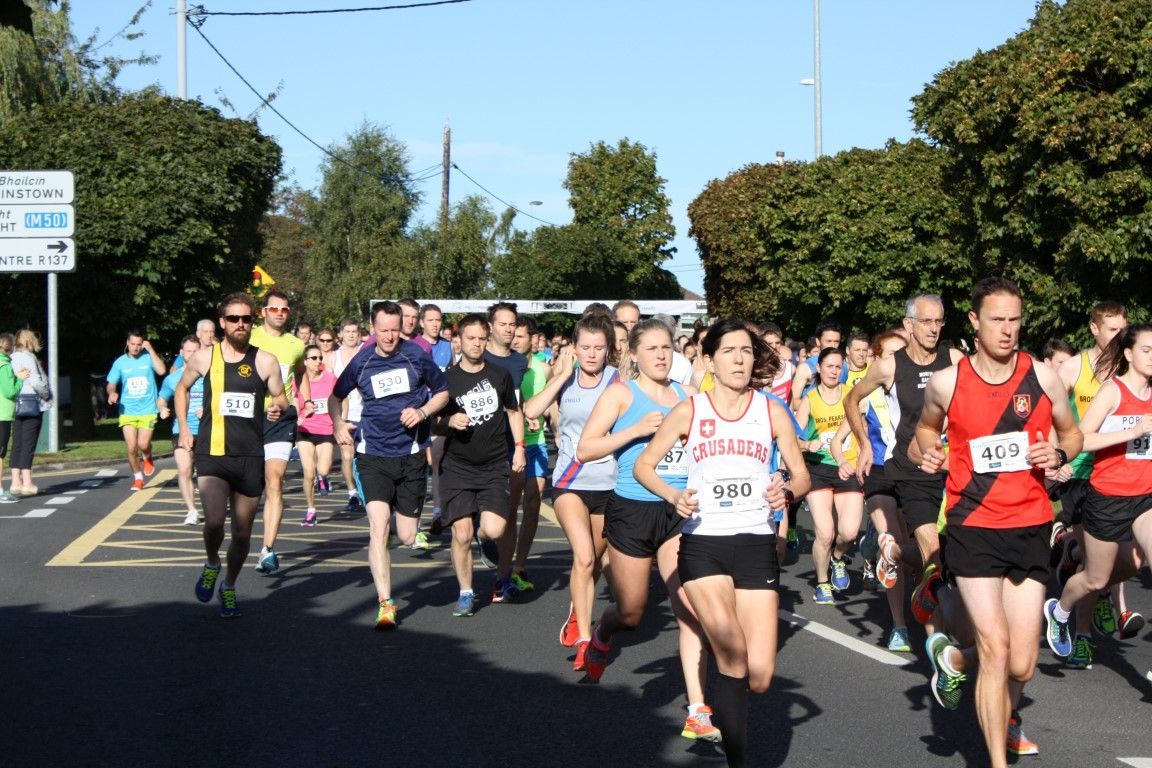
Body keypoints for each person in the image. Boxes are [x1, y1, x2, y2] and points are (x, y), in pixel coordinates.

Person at [916, 277, 1081, 768]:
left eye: (1015, 319)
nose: (1008, 330)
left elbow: (1073, 435)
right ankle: (995, 762)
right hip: (973, 524)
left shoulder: (1043, 377)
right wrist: (930, 452)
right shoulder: (950, 382)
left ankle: (952, 657)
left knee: (1022, 662)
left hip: (1030, 525)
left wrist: (1058, 450)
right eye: (997, 320)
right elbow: (923, 432)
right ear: (974, 322)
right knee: (996, 645)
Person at [635, 318, 810, 768]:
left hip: (754, 541)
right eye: (729, 351)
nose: (739, 359)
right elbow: (645, 466)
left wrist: (786, 492)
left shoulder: (770, 410)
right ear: (709, 360)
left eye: (746, 351)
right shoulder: (691, 410)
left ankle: (722, 688)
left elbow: (802, 474)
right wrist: (674, 495)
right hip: (704, 542)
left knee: (760, 676)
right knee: (731, 649)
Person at [577, 318, 719, 742]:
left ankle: (697, 709)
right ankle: (602, 634)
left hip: (679, 511)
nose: (661, 355)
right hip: (632, 511)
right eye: (652, 348)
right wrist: (636, 430)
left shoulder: (687, 396)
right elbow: (586, 449)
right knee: (632, 612)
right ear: (633, 355)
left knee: (689, 607)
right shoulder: (621, 394)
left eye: (666, 348)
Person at [843, 294, 963, 629]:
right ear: (909, 325)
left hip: (953, 468)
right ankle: (938, 638)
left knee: (953, 551)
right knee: (932, 552)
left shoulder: (954, 359)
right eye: (927, 321)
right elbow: (851, 400)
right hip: (911, 471)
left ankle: (894, 554)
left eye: (939, 321)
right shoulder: (890, 366)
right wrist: (864, 443)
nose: (934, 328)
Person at [329, 301, 449, 629]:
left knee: (407, 535)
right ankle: (386, 603)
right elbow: (335, 397)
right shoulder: (362, 361)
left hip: (410, 455)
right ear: (373, 328)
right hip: (373, 455)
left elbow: (442, 392)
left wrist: (423, 412)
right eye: (383, 330)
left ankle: (401, 528)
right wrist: (338, 424)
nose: (390, 336)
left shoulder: (415, 356)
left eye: (395, 329)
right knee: (378, 527)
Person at [1045, 324, 1152, 665]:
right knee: (1096, 578)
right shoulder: (1113, 391)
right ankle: (1060, 610)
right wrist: (1131, 432)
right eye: (1147, 350)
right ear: (1129, 354)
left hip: (1146, 497)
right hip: (1107, 498)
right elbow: (1081, 440)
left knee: (1141, 561)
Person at [178, 293, 290, 618]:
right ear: (222, 323)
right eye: (234, 319)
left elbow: (282, 399)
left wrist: (277, 408)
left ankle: (228, 585)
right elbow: (181, 389)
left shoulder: (265, 360)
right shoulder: (204, 358)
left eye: (246, 319)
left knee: (242, 533)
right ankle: (212, 562)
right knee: (214, 521)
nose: (241, 324)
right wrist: (185, 427)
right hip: (212, 454)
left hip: (250, 456)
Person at [523, 314, 619, 665]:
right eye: (585, 348)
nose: (592, 354)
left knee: (597, 561)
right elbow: (531, 410)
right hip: (569, 481)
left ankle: (579, 609)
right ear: (574, 348)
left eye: (599, 348)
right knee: (584, 557)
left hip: (609, 483)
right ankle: (583, 640)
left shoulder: (619, 381)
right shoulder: (564, 378)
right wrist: (562, 375)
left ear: (609, 349)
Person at [435, 314, 525, 616]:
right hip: (457, 466)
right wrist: (448, 421)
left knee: (495, 529)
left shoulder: (500, 375)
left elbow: (514, 413)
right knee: (460, 533)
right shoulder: (446, 379)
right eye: (470, 338)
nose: (475, 344)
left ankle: (482, 536)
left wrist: (520, 449)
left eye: (480, 339)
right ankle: (466, 591)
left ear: (487, 340)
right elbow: (431, 422)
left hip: (493, 465)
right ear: (459, 340)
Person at [794, 347, 864, 604]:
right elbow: (795, 437)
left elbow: (863, 428)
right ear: (819, 369)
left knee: (849, 532)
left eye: (838, 367)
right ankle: (822, 583)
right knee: (824, 533)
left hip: (848, 467)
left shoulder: (851, 395)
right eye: (829, 366)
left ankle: (837, 558)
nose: (833, 371)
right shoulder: (810, 399)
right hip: (819, 469)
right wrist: (806, 445)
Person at [251, 290, 312, 574]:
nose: (279, 313)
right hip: (248, 419)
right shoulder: (249, 337)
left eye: (284, 310)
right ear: (263, 311)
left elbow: (300, 373)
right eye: (274, 308)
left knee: (275, 480)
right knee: (249, 485)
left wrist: (305, 400)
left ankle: (267, 549)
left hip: (282, 418)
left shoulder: (295, 345)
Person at [483, 301, 529, 601]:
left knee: (510, 512)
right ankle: (482, 534)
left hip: (509, 446)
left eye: (512, 324)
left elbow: (518, 402)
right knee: (488, 524)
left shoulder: (520, 363)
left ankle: (503, 579)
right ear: (490, 327)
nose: (509, 329)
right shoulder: (477, 357)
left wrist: (528, 417)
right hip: (478, 448)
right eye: (503, 324)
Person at [508, 315, 549, 591]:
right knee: (508, 507)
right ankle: (500, 554)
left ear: (532, 339)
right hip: (509, 446)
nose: (515, 340)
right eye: (512, 335)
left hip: (537, 443)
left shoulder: (544, 369)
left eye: (521, 336)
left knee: (533, 504)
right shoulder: (501, 367)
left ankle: (519, 566)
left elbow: (552, 403)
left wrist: (542, 413)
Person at [106, 330, 166, 492]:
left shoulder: (148, 359)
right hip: (128, 410)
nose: (135, 348)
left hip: (148, 409)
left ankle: (147, 456)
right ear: (127, 343)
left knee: (143, 444)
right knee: (131, 447)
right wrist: (112, 392)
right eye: (132, 344)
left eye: (139, 345)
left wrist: (151, 350)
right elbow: (111, 383)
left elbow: (161, 371)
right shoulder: (120, 362)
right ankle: (138, 478)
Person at [158, 335, 205, 525]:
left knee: (205, 474)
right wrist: (162, 409)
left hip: (206, 429)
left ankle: (210, 503)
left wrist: (208, 409)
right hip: (182, 429)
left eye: (196, 351)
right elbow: (161, 399)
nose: (192, 354)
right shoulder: (173, 379)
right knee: (184, 469)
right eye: (188, 351)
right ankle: (192, 510)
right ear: (181, 353)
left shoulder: (208, 375)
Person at [296, 343, 338, 527]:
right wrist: (297, 416)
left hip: (325, 429)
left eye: (320, 357)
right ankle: (310, 509)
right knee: (308, 472)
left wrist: (339, 420)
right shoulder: (297, 380)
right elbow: (292, 400)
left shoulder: (330, 379)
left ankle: (324, 478)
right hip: (304, 430)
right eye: (314, 358)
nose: (318, 361)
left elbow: (339, 400)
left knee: (323, 469)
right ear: (305, 361)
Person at [330, 317, 366, 514]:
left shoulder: (365, 353)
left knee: (365, 457)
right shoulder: (333, 357)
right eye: (348, 331)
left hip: (366, 413)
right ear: (341, 334)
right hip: (344, 415)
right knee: (346, 455)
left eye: (355, 331)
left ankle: (367, 491)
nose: (351, 335)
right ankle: (352, 493)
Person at [9, 330, 50, 497]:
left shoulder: (10, 357)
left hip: (15, 403)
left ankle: (15, 481)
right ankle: (27, 482)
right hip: (32, 403)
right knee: (29, 443)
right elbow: (36, 381)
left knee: (17, 442)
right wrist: (46, 393)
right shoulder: (28, 358)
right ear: (29, 341)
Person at [0, 333, 29, 504]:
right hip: (2, 414)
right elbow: (10, 391)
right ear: (9, 347)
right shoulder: (3, 365)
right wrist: (20, 380)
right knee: (1, 454)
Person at [790, 319, 842, 403]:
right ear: (818, 341)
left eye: (836, 342)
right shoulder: (806, 367)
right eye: (828, 341)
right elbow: (793, 401)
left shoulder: (845, 366)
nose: (833, 345)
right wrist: (818, 406)